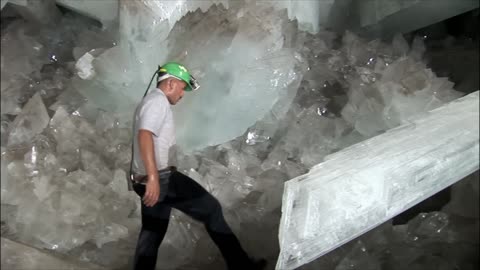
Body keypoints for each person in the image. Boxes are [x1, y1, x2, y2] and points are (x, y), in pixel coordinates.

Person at [130, 62, 266, 270]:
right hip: (161, 178)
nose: (183, 94)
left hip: (148, 178)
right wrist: (154, 178)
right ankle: (241, 266)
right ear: (171, 83)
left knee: (153, 231)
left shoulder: (152, 102)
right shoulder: (157, 102)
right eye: (183, 87)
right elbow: (144, 135)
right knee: (212, 210)